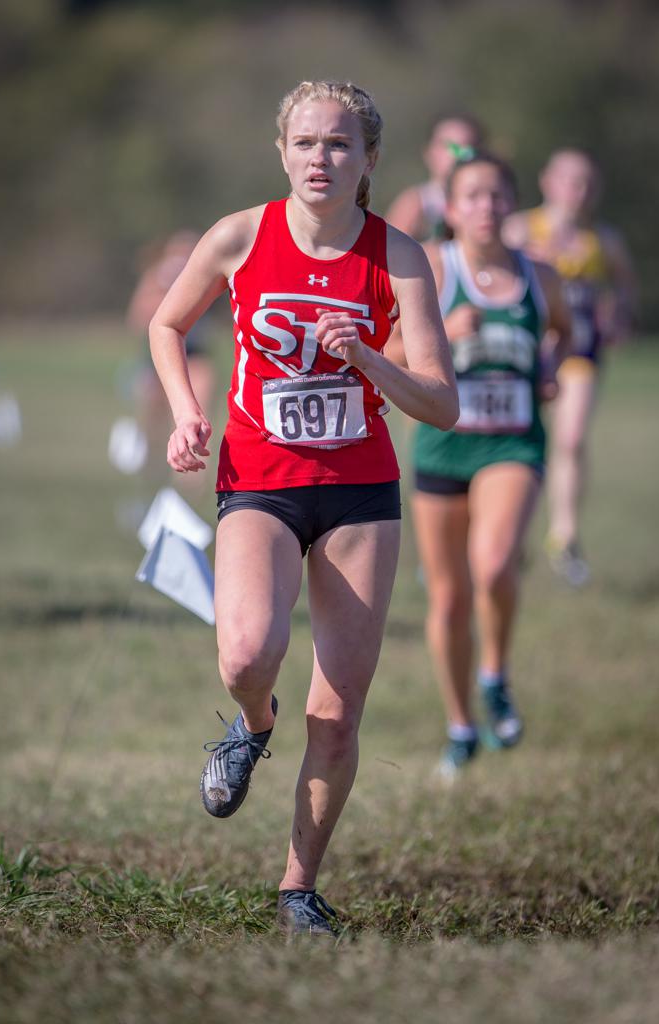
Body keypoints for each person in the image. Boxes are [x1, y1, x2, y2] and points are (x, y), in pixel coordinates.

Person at [149, 80, 458, 936]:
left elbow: (442, 402)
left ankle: (297, 888)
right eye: (307, 143)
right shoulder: (240, 235)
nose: (321, 158)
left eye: (340, 145)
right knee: (248, 653)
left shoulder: (399, 257)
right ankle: (253, 725)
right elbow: (167, 327)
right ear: (281, 151)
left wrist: (368, 355)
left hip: (360, 489)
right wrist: (185, 412)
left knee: (338, 711)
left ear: (367, 161)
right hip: (260, 474)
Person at [399, 150, 570, 777]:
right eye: (472, 196)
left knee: (493, 563)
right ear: (450, 206)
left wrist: (552, 360)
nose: (486, 208)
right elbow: (385, 349)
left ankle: (494, 674)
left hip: (513, 443)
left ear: (513, 204)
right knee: (447, 600)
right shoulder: (432, 271)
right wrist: (443, 333)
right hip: (444, 444)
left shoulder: (539, 275)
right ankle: (460, 723)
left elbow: (567, 334)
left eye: (498, 196)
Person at [503, 149, 637, 585]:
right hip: (523, 350)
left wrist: (618, 315)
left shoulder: (603, 239)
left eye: (587, 184)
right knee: (520, 442)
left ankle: (564, 535)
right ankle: (510, 535)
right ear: (548, 182)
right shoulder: (521, 228)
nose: (578, 193)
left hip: (579, 350)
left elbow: (625, 283)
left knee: (572, 437)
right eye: (570, 181)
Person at [127, 230, 216, 482]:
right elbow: (137, 318)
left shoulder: (206, 274)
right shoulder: (155, 279)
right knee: (152, 417)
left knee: (200, 414)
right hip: (158, 357)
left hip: (196, 354)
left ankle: (192, 478)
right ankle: (151, 465)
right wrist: (160, 291)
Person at [385, 114, 484, 242]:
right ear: (429, 152)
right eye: (452, 147)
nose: (460, 154)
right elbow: (387, 254)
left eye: (468, 147)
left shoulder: (488, 204)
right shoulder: (416, 204)